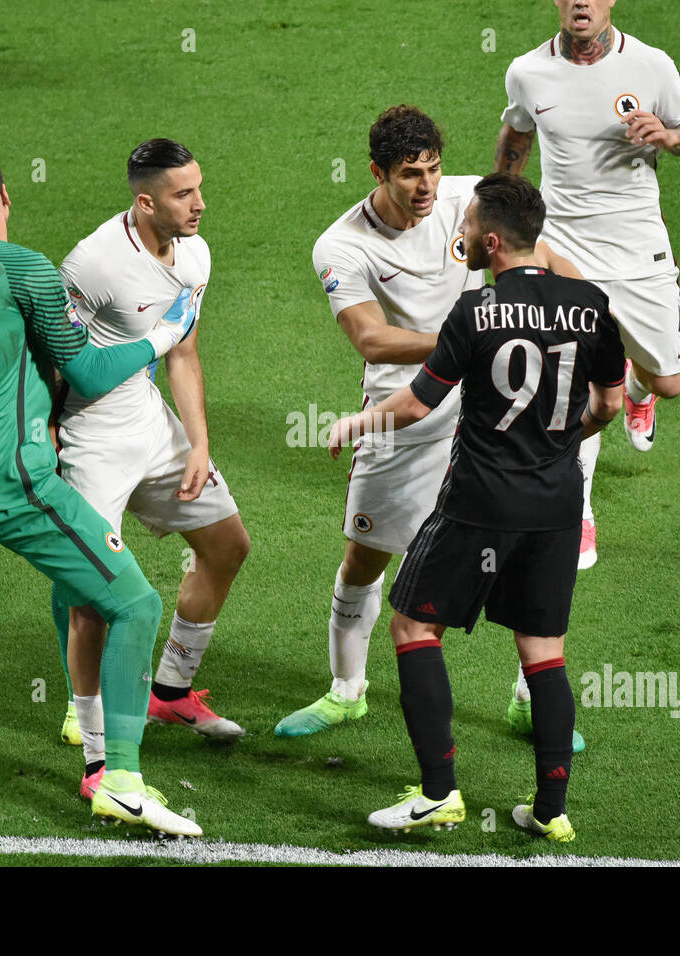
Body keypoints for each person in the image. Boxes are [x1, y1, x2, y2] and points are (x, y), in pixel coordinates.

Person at [327, 173, 625, 842]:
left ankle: (438, 794)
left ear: (490, 241)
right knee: (544, 648)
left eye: (465, 228)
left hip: (479, 501)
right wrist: (553, 448)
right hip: (556, 504)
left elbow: (414, 405)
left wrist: (357, 423)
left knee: (412, 629)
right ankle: (551, 809)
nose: (458, 235)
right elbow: (609, 404)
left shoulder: (475, 312)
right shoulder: (592, 305)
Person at [0, 144, 201, 837]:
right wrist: (166, 334)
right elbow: (90, 374)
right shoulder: (25, 269)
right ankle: (123, 781)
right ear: (6, 197)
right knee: (134, 601)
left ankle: (98, 758)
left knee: (90, 582)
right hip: (10, 478)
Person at [277, 105, 584, 741]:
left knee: (527, 557)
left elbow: (545, 260)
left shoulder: (467, 200)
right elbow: (370, 338)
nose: (427, 187)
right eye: (411, 174)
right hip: (404, 408)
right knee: (365, 554)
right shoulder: (342, 245)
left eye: (434, 169)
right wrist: (466, 340)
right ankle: (346, 691)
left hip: (496, 405)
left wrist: (580, 312)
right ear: (377, 172)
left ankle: (531, 697)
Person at [494, 0, 680, 729]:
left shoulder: (650, 66)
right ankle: (578, 509)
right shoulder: (528, 70)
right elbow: (516, 137)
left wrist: (669, 135)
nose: (581, 3)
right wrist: (501, 208)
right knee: (576, 386)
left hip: (638, 244)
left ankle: (640, 390)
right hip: (566, 244)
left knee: (668, 382)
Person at [53, 140, 251, 798]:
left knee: (227, 545)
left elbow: (183, 353)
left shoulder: (195, 252)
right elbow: (56, 362)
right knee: (92, 595)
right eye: (182, 194)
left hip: (149, 421)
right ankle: (95, 740)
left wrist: (197, 444)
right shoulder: (93, 263)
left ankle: (170, 688)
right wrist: (49, 438)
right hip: (90, 438)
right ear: (146, 202)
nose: (199, 203)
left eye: (198, 187)